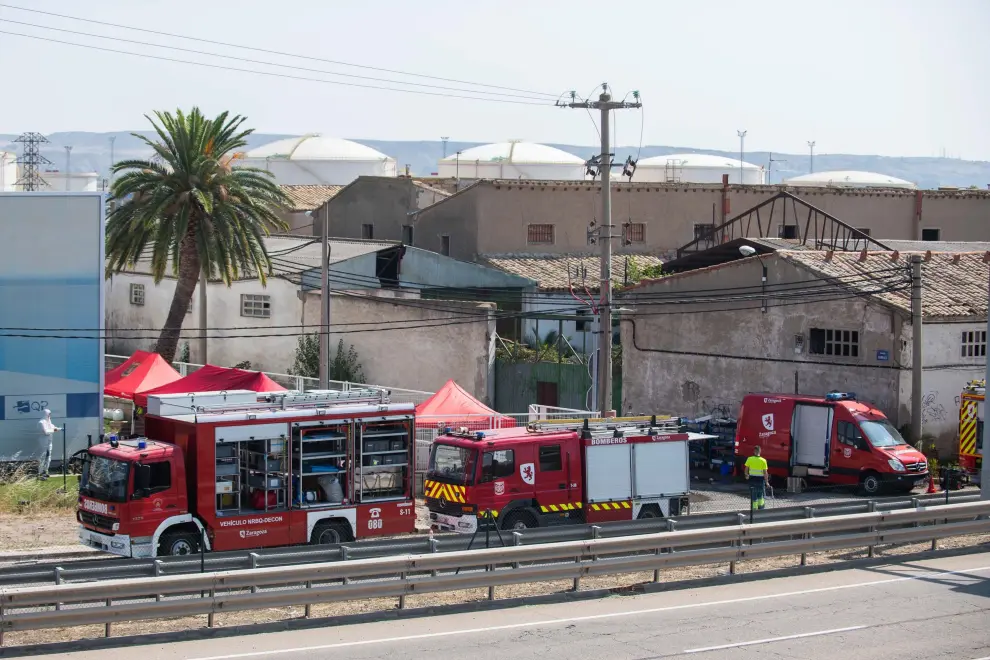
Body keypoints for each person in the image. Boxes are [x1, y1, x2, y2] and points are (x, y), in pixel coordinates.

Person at [37, 409, 61, 480]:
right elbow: (46, 432)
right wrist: (54, 430)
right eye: (49, 414)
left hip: (49, 441)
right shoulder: (41, 422)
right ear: (46, 414)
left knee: (49, 456)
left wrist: (59, 428)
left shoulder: (49, 422)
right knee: (43, 456)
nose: (50, 415)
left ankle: (45, 471)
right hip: (43, 441)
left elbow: (53, 427)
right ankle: (40, 472)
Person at [743, 446, 769, 510]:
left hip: (752, 479)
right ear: (760, 451)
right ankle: (761, 509)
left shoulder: (749, 459)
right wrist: (767, 482)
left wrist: (746, 475)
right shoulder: (763, 460)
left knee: (753, 495)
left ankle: (754, 509)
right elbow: (765, 473)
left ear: (754, 451)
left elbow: (746, 469)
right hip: (760, 480)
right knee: (760, 495)